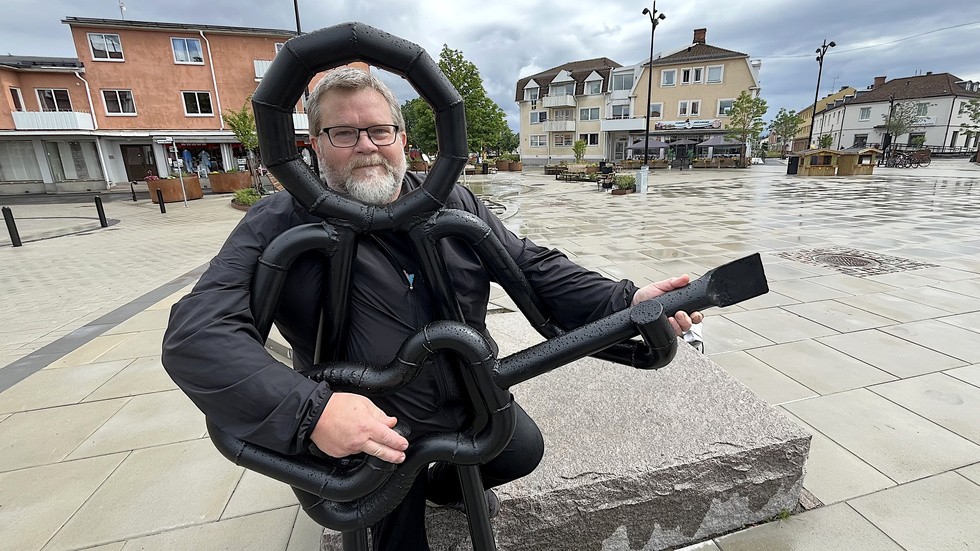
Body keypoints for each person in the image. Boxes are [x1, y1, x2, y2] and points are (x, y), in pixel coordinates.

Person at [161, 67, 702, 551]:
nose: (367, 146)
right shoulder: (277, 222)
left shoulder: (452, 201)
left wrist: (626, 299)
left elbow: (531, 266)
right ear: (314, 145)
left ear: (402, 137)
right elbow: (198, 333)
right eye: (344, 133)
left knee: (521, 451)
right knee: (396, 529)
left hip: (465, 392)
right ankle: (407, 497)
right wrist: (313, 411)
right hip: (370, 422)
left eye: (379, 130)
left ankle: (442, 485)